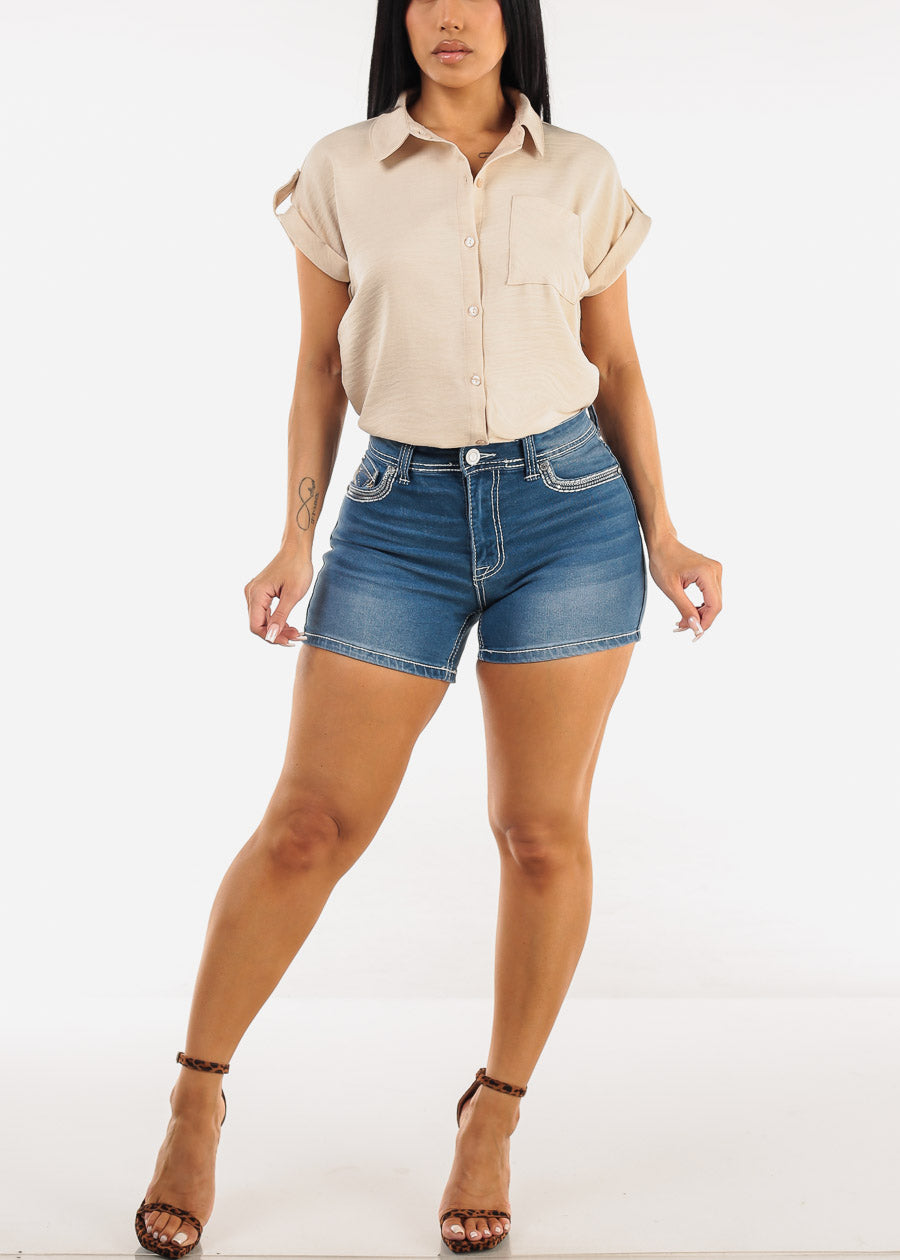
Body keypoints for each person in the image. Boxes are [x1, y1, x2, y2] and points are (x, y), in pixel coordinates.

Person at [134, 1, 724, 1256]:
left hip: (571, 515)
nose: (451, 17)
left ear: (516, 15)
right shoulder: (342, 169)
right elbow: (317, 367)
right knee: (307, 826)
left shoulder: (581, 171)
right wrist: (295, 538)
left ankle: (492, 1114)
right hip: (397, 516)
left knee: (541, 835)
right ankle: (196, 1095)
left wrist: (665, 535)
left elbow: (618, 365)